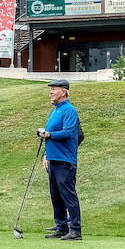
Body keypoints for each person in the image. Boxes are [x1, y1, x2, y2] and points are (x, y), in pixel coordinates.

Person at [39, 79, 81, 240]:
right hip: (53, 159)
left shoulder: (69, 110)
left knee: (68, 195)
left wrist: (49, 135)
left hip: (65, 160)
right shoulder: (55, 111)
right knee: (55, 194)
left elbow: (70, 133)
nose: (50, 92)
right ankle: (61, 226)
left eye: (54, 89)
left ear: (63, 92)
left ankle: (75, 230)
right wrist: (46, 155)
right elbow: (49, 136)